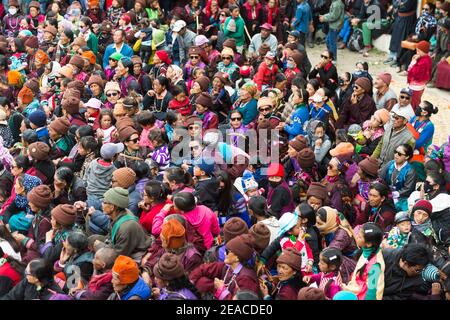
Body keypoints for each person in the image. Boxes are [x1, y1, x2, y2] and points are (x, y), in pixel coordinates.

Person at [189, 234, 259, 299]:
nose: (225, 253)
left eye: (228, 251)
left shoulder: (246, 279)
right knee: (202, 282)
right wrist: (190, 283)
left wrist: (221, 291)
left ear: (237, 258)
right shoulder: (228, 266)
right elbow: (203, 269)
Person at [101, 187, 151, 261]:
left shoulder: (126, 227)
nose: (101, 204)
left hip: (135, 257)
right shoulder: (119, 214)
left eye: (104, 202)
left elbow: (119, 255)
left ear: (112, 207)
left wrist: (100, 247)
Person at [342, 222, 385, 300]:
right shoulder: (366, 250)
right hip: (358, 289)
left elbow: (371, 291)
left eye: (360, 237)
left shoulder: (375, 265)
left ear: (368, 244)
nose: (357, 237)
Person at [379, 143, 417, 212]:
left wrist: (394, 194)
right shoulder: (390, 164)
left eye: (399, 154)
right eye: (395, 152)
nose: (396, 155)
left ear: (407, 157)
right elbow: (381, 178)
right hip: (386, 194)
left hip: (401, 198)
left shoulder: (410, 170)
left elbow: (408, 189)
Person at [406, 40, 433, 110]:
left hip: (415, 87)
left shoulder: (422, 62)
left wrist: (413, 61)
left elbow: (412, 72)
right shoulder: (427, 59)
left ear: (424, 51)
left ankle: (413, 115)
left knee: (413, 103)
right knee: (416, 101)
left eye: (418, 51)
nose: (416, 52)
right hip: (420, 86)